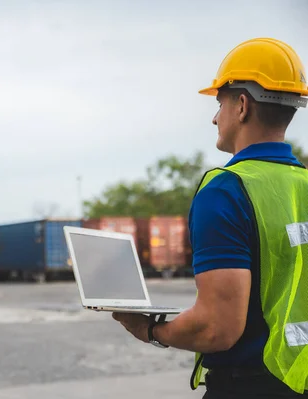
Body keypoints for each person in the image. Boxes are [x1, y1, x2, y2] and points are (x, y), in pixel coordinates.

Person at [112, 37, 308, 398]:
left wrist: (151, 331)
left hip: (251, 386)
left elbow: (217, 328)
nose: (215, 116)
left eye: (220, 103)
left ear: (243, 106)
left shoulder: (226, 191)